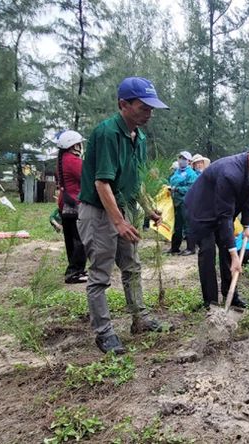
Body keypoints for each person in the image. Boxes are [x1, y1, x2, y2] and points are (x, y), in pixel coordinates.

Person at [77, 77, 173, 354]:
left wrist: (147, 209)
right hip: (99, 211)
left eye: (152, 108)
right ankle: (104, 332)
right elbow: (101, 183)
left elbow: (137, 180)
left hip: (126, 208)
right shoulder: (107, 133)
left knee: (132, 265)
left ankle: (140, 318)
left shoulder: (139, 137)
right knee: (100, 274)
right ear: (124, 105)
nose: (149, 113)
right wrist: (118, 221)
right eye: (144, 108)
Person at [185, 140, 249, 309]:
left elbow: (247, 196)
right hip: (201, 211)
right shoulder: (231, 173)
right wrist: (235, 255)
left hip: (220, 208)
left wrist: (246, 225)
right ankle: (211, 303)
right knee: (207, 253)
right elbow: (225, 216)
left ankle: (231, 296)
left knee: (227, 253)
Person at [55, 130, 88, 284]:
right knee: (80, 239)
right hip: (75, 204)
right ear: (74, 145)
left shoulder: (62, 159)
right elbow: (87, 178)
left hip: (65, 204)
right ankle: (75, 271)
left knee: (71, 239)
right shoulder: (73, 161)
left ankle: (74, 269)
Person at [168, 151, 198, 255]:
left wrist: (177, 189)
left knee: (187, 225)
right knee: (177, 225)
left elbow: (191, 188)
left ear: (189, 161)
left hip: (186, 202)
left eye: (184, 158)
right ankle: (175, 247)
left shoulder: (191, 174)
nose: (181, 160)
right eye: (180, 158)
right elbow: (171, 181)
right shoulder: (177, 172)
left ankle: (191, 248)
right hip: (176, 202)